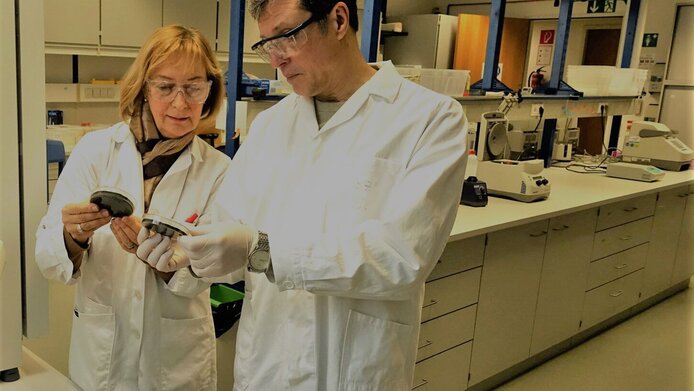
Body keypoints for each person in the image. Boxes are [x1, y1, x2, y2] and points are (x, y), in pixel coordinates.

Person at [141, 1, 468, 389]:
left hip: (353, 370)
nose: (276, 59)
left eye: (285, 37)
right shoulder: (270, 127)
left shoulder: (430, 120)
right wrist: (188, 257)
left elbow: (400, 257)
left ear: (338, 19)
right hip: (266, 369)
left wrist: (261, 250)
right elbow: (229, 230)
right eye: (266, 45)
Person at [35, 25, 228, 391]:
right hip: (103, 354)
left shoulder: (219, 171)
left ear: (210, 90)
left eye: (193, 87)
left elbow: (218, 270)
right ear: (143, 86)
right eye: (165, 86)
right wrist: (73, 236)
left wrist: (173, 262)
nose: (180, 102)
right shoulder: (95, 152)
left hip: (177, 359)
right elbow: (47, 256)